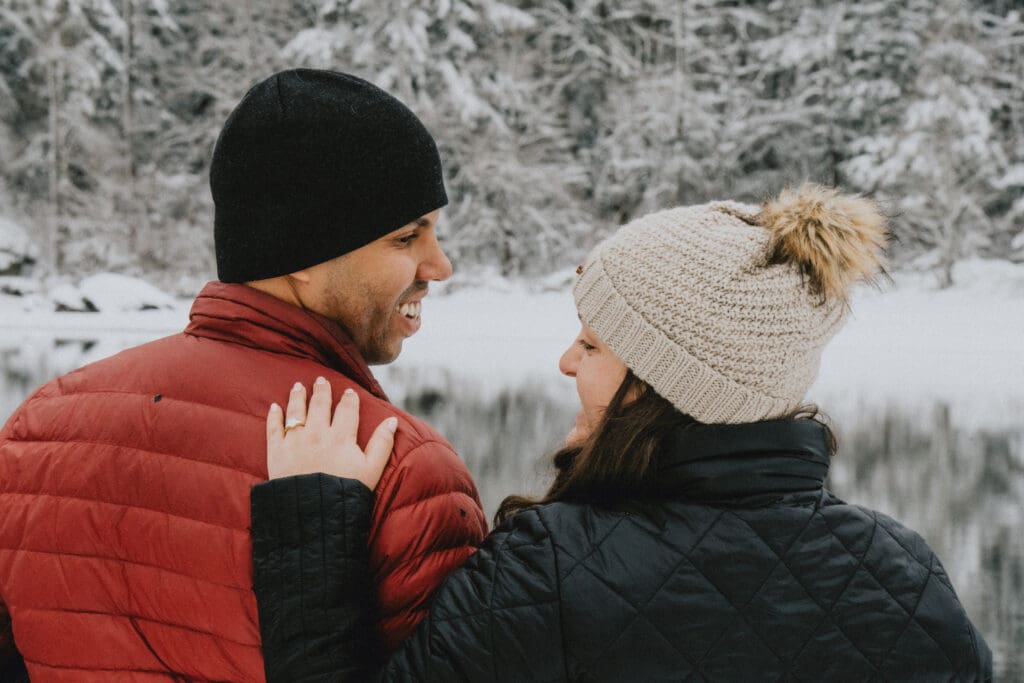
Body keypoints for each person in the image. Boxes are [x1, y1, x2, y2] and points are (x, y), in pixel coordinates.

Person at [250, 185, 993, 681]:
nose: (567, 360)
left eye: (595, 345)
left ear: (658, 384)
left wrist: (313, 522)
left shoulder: (550, 570)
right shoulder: (905, 575)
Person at [0, 68, 487, 681]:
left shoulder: (37, 428)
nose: (439, 265)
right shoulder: (399, 467)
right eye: (405, 237)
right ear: (304, 255)